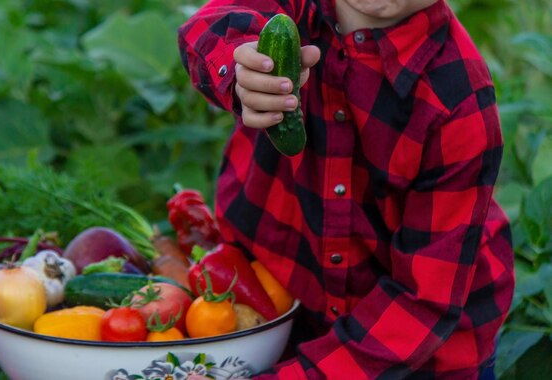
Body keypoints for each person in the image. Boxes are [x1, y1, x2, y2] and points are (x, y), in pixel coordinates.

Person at [178, 0, 515, 378]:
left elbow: (422, 304)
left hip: (415, 350)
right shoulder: (292, 10)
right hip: (287, 305)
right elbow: (209, 23)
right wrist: (241, 73)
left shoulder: (459, 99)